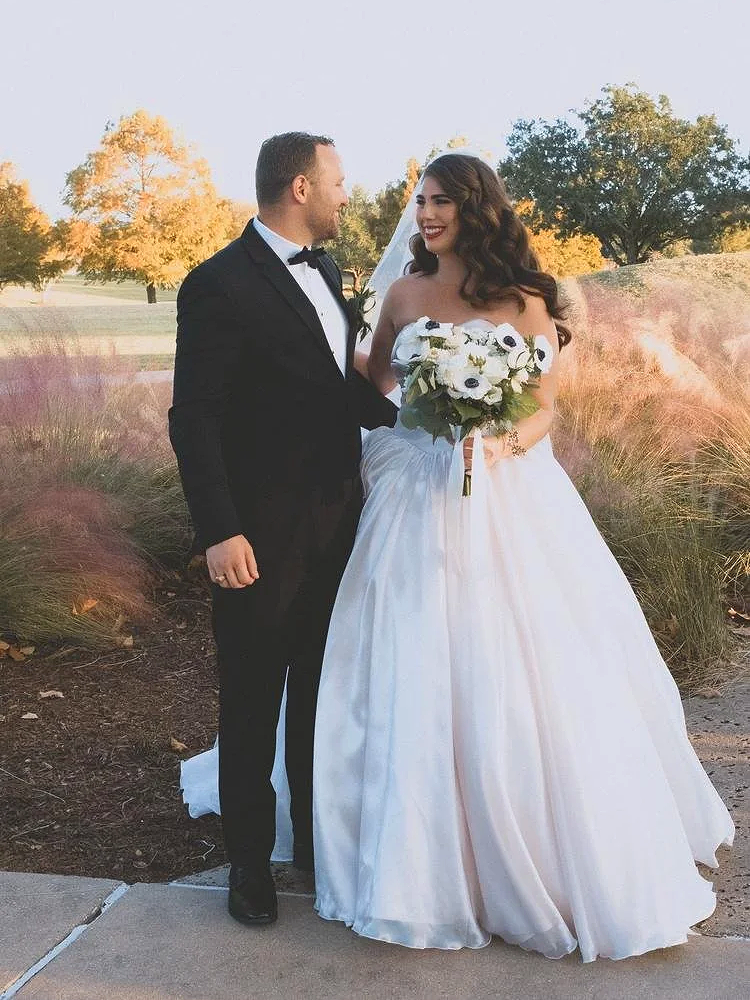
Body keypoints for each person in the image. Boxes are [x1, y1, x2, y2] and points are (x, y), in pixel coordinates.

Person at [311, 152, 734, 961]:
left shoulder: (527, 299)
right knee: (413, 652)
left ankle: (542, 843)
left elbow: (543, 408)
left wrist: (499, 444)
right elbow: (373, 385)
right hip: (414, 492)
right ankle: (418, 855)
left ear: (477, 208)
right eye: (421, 202)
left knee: (525, 655)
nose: (426, 215)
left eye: (442, 202)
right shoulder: (403, 295)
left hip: (508, 491)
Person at [168, 132, 397, 927]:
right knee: (253, 696)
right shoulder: (218, 284)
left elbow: (338, 391)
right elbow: (194, 419)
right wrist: (220, 531)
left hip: (340, 526)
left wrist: (428, 419)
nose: (346, 195)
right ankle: (248, 864)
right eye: (338, 181)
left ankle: (308, 842)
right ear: (301, 187)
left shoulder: (328, 272)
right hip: (258, 537)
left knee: (319, 695)